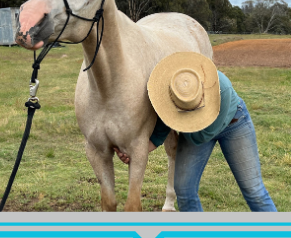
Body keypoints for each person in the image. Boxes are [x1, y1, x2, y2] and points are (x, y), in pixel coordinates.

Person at [114, 52, 277, 212]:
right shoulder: (173, 91)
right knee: (184, 191)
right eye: (179, 109)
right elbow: (159, 133)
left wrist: (182, 125)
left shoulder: (222, 88)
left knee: (254, 192)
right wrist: (133, 153)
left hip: (235, 123)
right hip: (195, 130)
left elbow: (200, 136)